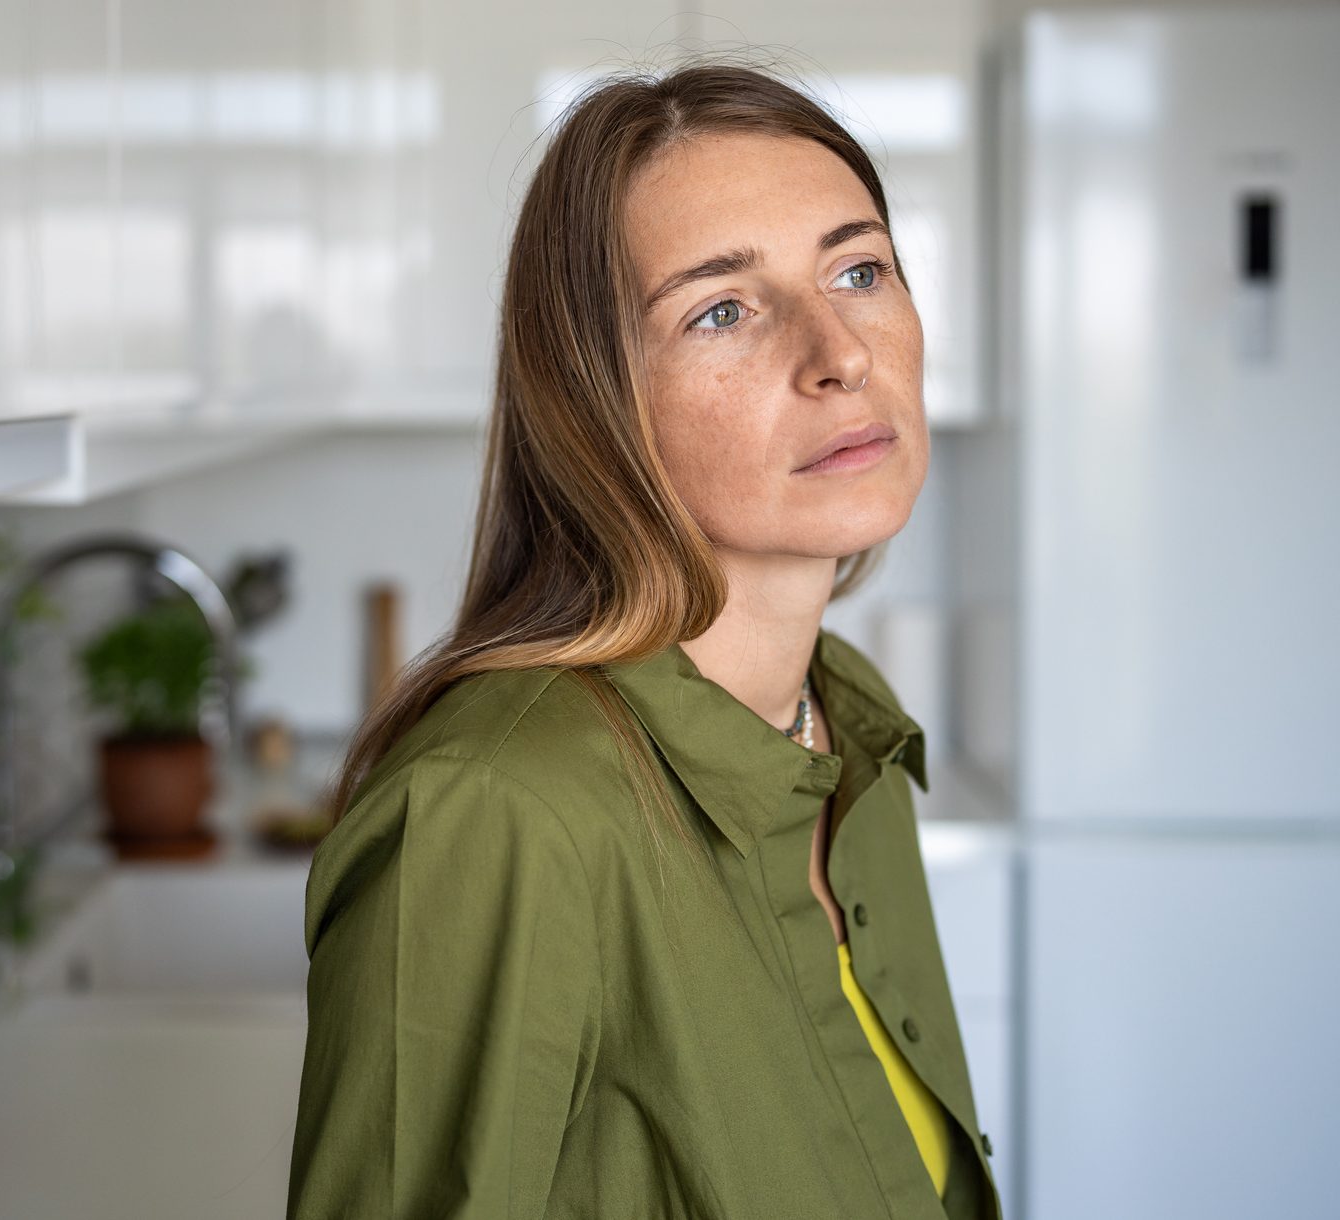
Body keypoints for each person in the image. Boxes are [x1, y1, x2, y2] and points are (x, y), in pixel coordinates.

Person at [287, 57, 1003, 1220]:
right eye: (722, 308)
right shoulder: (496, 812)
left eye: (859, 269)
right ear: (592, 398)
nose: (840, 353)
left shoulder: (846, 714)